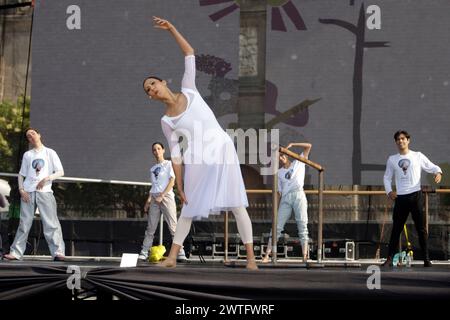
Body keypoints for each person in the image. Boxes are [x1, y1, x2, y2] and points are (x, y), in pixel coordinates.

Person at [143, 17, 257, 270]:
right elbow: (176, 156)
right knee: (188, 208)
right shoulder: (167, 121)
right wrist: (180, 187)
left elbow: (189, 53)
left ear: (163, 82)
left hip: (221, 147)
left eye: (153, 84)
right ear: (152, 98)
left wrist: (172, 28)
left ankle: (251, 259)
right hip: (197, 157)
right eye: (148, 91)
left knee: (238, 205)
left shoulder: (189, 88)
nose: (152, 89)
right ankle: (172, 257)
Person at [3, 128, 66, 261]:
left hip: (45, 192)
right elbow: (21, 174)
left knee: (51, 223)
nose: (30, 136)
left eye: (32, 133)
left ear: (39, 135)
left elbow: (60, 172)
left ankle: (58, 252)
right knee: (24, 223)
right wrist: (21, 190)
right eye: (27, 135)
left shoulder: (50, 152)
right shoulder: (28, 154)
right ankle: (16, 252)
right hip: (28, 192)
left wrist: (46, 179)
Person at [383, 130, 442, 267]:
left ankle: (426, 259)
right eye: (398, 139)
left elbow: (431, 166)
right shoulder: (392, 159)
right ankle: (389, 258)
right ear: (396, 142)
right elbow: (387, 177)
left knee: (421, 228)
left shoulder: (417, 156)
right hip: (401, 198)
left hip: (416, 196)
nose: (400, 141)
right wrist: (389, 192)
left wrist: (438, 172)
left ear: (408, 140)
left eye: (403, 138)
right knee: (396, 229)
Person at [262, 143, 311, 264]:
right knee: (276, 227)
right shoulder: (279, 173)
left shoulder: (298, 162)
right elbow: (279, 192)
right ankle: (267, 255)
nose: (281, 158)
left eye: (282, 155)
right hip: (286, 198)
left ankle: (304, 256)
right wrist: (276, 209)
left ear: (287, 155)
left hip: (298, 194)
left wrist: (293, 144)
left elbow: (308, 146)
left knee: (302, 225)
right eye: (279, 156)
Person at [138, 142, 186, 262]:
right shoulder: (153, 169)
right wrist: (148, 201)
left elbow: (172, 181)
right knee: (151, 227)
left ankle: (180, 252)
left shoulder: (169, 164)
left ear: (163, 150)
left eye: (159, 149)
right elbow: (153, 186)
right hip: (155, 198)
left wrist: (163, 195)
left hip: (166, 197)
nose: (157, 151)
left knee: (173, 226)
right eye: (154, 150)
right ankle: (144, 251)